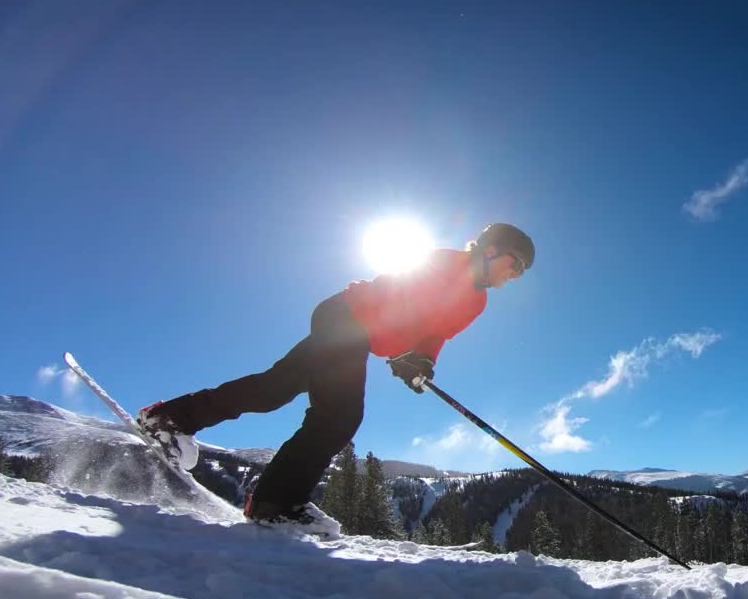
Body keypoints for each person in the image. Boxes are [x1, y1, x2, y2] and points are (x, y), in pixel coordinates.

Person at [135, 223, 534, 533]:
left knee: (273, 389)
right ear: (491, 250)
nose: (514, 275)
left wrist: (422, 362)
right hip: (346, 317)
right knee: (339, 415)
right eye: (514, 264)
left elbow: (435, 334)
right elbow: (398, 295)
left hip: (360, 332)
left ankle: (171, 418)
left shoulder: (476, 302)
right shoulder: (445, 263)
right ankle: (276, 503)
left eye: (520, 271)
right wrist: (400, 354)